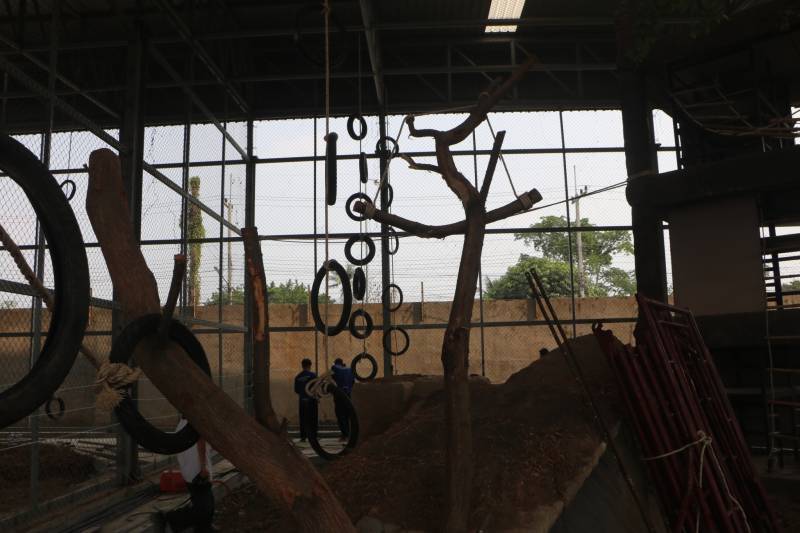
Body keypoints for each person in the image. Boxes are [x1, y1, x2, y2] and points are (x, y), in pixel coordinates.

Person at [153, 416, 215, 533]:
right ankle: (170, 517)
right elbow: (201, 443)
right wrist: (203, 468)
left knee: (207, 505)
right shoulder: (196, 423)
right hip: (198, 471)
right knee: (204, 508)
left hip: (190, 471)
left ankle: (203, 529)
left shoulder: (181, 426)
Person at [330, 358, 355, 441]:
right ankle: (349, 434)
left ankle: (345, 435)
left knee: (340, 415)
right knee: (348, 415)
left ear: (336, 363)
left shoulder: (335, 368)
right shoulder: (350, 370)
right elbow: (353, 382)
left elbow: (331, 379)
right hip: (348, 395)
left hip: (339, 395)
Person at [294, 358, 317, 442]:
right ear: (310, 365)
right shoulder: (313, 375)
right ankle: (313, 436)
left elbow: (296, 390)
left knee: (303, 418)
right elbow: (317, 387)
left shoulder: (298, 377)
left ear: (302, 365)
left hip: (302, 401)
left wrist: (303, 393)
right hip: (312, 400)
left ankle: (303, 437)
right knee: (312, 418)